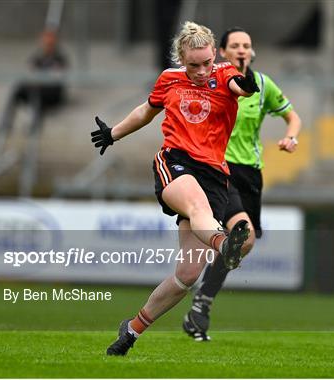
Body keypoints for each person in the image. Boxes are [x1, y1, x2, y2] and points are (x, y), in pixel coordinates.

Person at [90, 21, 260, 356]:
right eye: (193, 65)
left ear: (215, 56)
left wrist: (247, 78)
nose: (200, 71)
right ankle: (224, 243)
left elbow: (242, 87)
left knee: (188, 274)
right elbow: (146, 111)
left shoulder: (224, 74)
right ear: (181, 58)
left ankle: (132, 330)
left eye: (206, 63)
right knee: (197, 207)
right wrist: (114, 134)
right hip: (176, 162)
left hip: (215, 175)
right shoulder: (170, 79)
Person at [182, 27, 302, 342]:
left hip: (251, 174)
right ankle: (199, 298)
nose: (241, 50)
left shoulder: (262, 85)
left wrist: (291, 136)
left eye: (246, 45)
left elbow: (293, 117)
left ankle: (202, 301)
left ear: (251, 51)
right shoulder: (212, 82)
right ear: (222, 51)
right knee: (240, 234)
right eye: (234, 45)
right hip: (220, 169)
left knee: (244, 243)